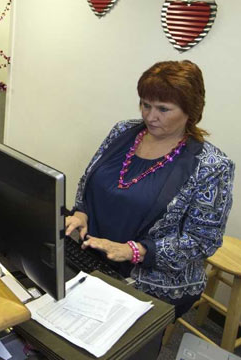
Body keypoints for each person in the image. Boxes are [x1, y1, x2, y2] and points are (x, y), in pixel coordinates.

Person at [65, 60, 234, 318]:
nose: (150, 116)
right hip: (93, 254)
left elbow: (202, 241)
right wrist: (81, 213)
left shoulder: (212, 166)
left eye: (163, 109)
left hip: (154, 279)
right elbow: (91, 180)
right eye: (145, 104)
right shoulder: (123, 131)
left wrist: (135, 251)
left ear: (191, 111)